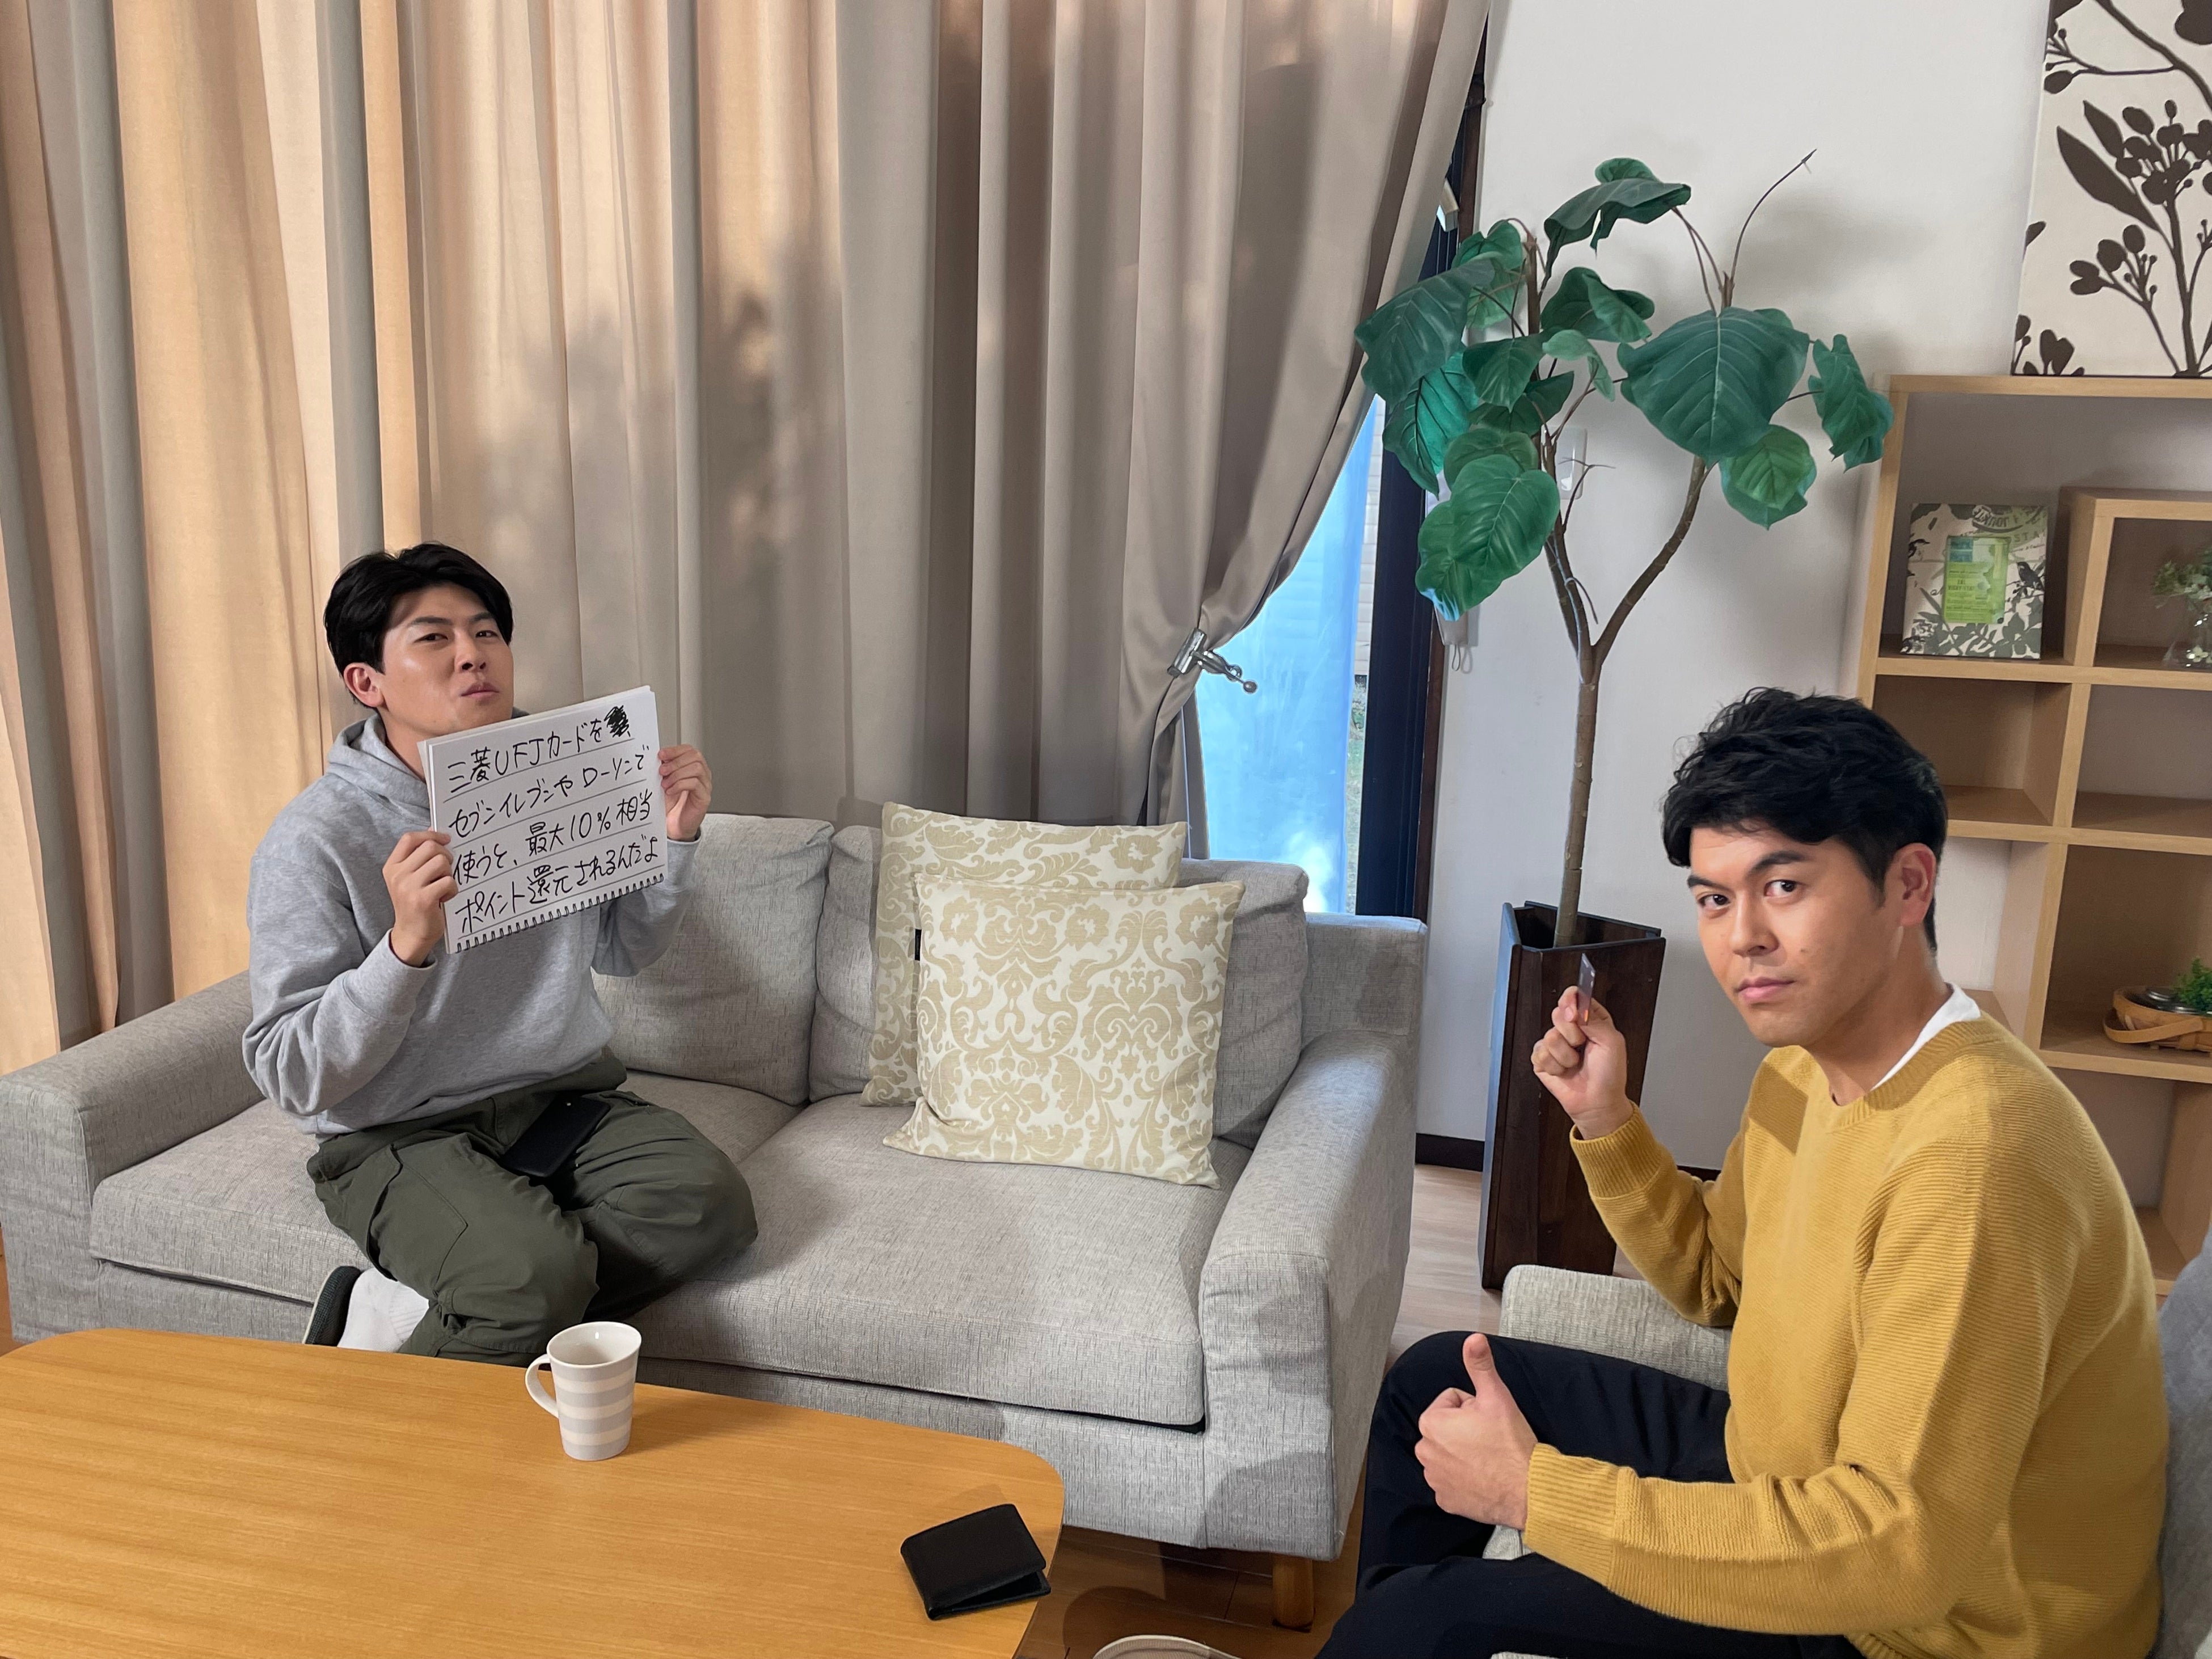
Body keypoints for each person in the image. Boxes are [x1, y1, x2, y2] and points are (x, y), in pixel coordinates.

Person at [1323, 687, 2168, 1657]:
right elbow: (1715, 1280)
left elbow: (1899, 1549)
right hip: (1782, 1469)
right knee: (1431, 1383)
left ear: (1909, 886)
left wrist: (1534, 1493)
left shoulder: (1978, 1158)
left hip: (1913, 1626)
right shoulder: (1803, 1068)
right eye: (1716, 898)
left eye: (1786, 885)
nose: (1742, 937)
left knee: (1417, 1619)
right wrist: (1607, 1117)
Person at [244, 543, 755, 1363]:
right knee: (529, 1279)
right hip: (396, 1132)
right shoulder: (314, 838)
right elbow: (290, 1070)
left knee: (711, 1210)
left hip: (560, 1100)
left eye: (486, 632)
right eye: (434, 638)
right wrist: (404, 950)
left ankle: (415, 1301)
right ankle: (399, 1376)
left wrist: (672, 844)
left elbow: (624, 949)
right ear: (368, 683)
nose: (473, 654)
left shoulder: (567, 773)